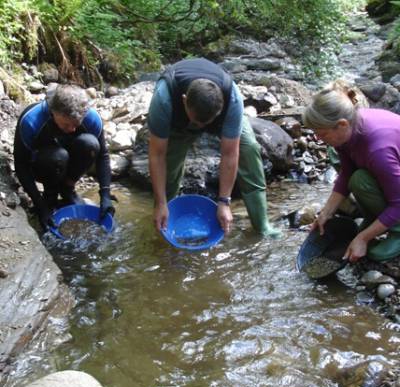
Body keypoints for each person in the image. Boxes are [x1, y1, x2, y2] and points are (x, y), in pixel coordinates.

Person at [147, 57, 280, 236]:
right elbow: (157, 154)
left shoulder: (232, 100)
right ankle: (164, 222)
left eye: (206, 123)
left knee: (249, 150)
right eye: (197, 122)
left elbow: (230, 153)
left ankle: (262, 225)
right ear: (185, 100)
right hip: (177, 123)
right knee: (170, 166)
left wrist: (224, 202)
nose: (201, 128)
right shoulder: (164, 99)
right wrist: (161, 203)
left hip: (216, 115)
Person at [303, 80, 400, 262]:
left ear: (342, 124)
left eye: (322, 134)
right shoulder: (348, 132)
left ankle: (398, 231)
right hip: (392, 175)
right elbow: (347, 173)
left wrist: (362, 238)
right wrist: (326, 213)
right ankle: (376, 219)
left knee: (374, 253)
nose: (318, 139)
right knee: (357, 179)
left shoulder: (378, 150)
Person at [13, 84, 115, 231]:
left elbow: (103, 156)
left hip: (70, 159)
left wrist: (105, 194)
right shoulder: (31, 121)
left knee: (90, 144)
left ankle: (67, 189)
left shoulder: (91, 118)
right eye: (67, 124)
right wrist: (40, 206)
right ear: (54, 112)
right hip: (43, 163)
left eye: (76, 124)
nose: (72, 129)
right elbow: (21, 165)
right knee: (59, 156)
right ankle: (50, 196)